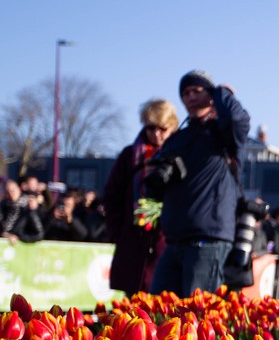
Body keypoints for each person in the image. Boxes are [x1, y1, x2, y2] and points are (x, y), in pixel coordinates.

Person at [147, 70, 250, 297]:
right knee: (158, 312)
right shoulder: (178, 138)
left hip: (208, 239)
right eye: (185, 93)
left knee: (197, 318)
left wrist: (223, 93)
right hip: (175, 240)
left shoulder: (224, 133)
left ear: (210, 94)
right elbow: (154, 188)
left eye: (197, 90)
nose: (190, 97)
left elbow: (236, 118)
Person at [103, 99, 179, 296]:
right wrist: (117, 233)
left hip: (166, 242)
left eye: (162, 128)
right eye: (151, 128)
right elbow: (112, 196)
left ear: (172, 126)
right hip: (133, 242)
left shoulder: (181, 154)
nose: (156, 134)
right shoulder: (130, 155)